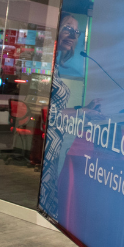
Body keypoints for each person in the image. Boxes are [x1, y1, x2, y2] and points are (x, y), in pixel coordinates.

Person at [37, 13, 80, 221]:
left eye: (76, 32)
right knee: (44, 195)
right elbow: (47, 111)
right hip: (47, 140)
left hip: (55, 142)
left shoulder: (56, 67)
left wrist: (84, 108)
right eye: (68, 29)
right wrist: (82, 112)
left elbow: (56, 106)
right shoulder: (47, 64)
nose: (72, 35)